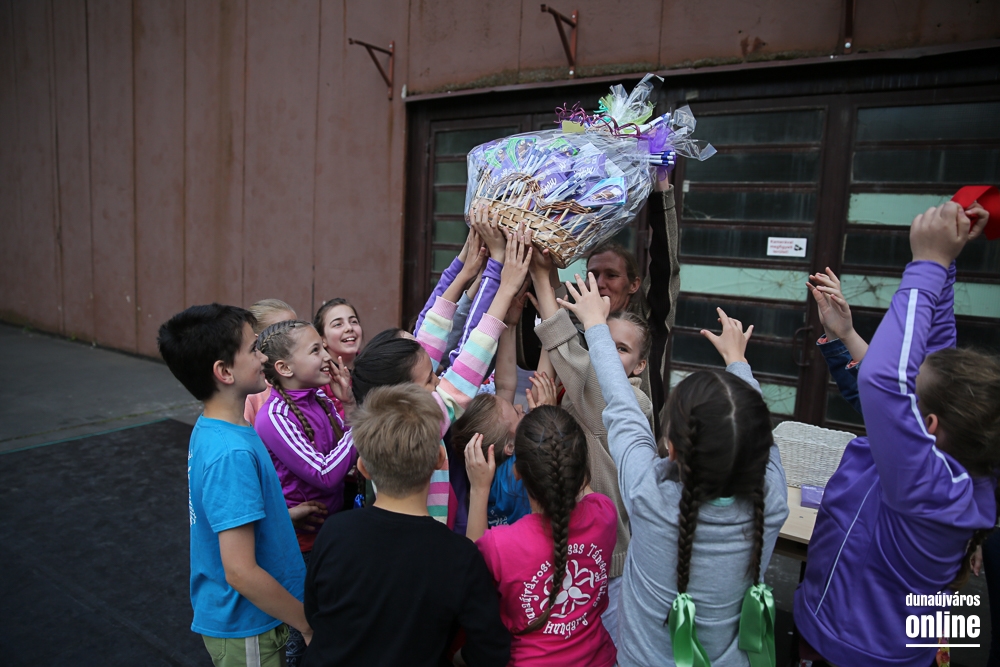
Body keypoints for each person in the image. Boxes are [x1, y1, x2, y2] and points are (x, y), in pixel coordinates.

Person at [793, 202, 1000, 667]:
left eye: (913, 389)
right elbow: (934, 357)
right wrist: (945, 265)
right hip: (855, 633)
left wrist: (926, 264)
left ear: (928, 426)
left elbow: (883, 381)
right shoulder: (953, 462)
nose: (907, 382)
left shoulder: (926, 485)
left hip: (851, 652)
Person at [563, 273, 789, 666]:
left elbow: (621, 405)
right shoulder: (771, 501)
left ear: (671, 450)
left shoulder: (647, 492)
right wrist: (738, 362)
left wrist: (595, 326)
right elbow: (759, 435)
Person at [303, 384, 510, 667]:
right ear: (439, 460)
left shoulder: (334, 532)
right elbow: (491, 650)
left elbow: (315, 612)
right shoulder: (459, 556)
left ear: (363, 468)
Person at [157, 304, 311, 667]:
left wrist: (281, 518)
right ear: (224, 371)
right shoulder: (231, 453)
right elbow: (240, 571)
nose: (264, 356)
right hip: (249, 626)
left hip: (253, 620)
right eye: (255, 348)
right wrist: (306, 624)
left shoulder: (218, 428)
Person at [350, 226, 532, 531]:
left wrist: (465, 271)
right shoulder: (416, 430)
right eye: (430, 381)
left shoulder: (384, 416)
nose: (438, 381)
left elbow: (426, 345)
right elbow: (467, 367)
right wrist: (505, 287)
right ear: (403, 394)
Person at [523, 250, 655, 643]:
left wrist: (543, 276)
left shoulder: (632, 403)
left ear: (640, 366)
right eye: (602, 343)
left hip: (609, 564)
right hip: (570, 549)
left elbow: (570, 352)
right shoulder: (582, 394)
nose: (606, 355)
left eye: (620, 350)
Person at [515, 175, 680, 437]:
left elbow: (665, 266)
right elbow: (553, 328)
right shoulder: (578, 328)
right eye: (593, 274)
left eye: (611, 275)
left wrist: (661, 190)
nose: (600, 283)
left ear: (634, 284)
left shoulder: (647, 322)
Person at [466, 405, 618, 667]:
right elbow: (581, 484)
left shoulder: (500, 545)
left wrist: (479, 489)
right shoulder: (604, 514)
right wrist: (554, 434)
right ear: (582, 467)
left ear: (517, 472)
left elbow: (467, 577)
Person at [253, 319, 357, 667]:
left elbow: (344, 457)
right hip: (303, 548)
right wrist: (361, 425)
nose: (327, 356)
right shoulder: (274, 417)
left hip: (330, 535)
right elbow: (326, 474)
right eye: (316, 350)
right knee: (302, 633)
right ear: (285, 368)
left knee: (333, 623)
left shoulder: (322, 399)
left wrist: (350, 405)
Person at [244, 299, 298, 426]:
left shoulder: (304, 380)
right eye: (285, 332)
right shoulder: (251, 393)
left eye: (297, 328)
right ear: (257, 340)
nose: (296, 338)